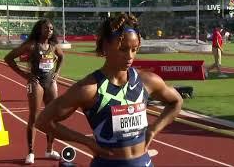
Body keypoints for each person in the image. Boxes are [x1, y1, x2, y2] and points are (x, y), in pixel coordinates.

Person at [35, 13, 183, 167]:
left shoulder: (147, 81)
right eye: (123, 49)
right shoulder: (89, 88)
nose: (130, 56)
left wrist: (153, 130)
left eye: (134, 49)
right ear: (106, 45)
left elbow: (176, 102)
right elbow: (43, 121)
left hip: (144, 163)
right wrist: (87, 141)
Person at [4, 18, 64, 164]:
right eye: (46, 28)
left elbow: (61, 58)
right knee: (34, 117)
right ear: (39, 29)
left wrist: (57, 73)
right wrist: (24, 75)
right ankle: (30, 152)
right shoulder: (31, 45)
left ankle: (49, 150)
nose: (49, 31)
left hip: (50, 83)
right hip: (36, 83)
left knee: (53, 117)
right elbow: (9, 58)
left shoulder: (54, 46)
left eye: (51, 29)